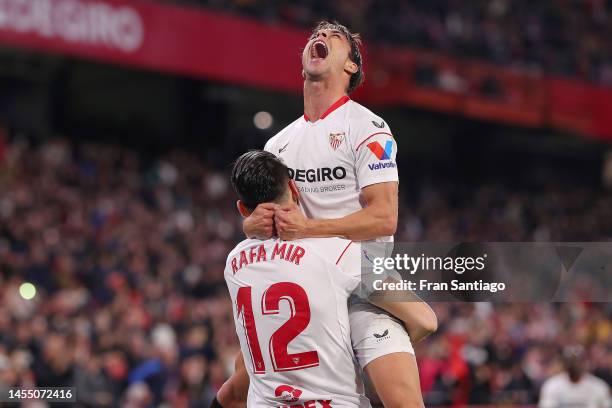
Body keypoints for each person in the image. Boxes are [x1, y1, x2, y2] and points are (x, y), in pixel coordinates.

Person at [240, 20, 433, 407]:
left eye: (335, 37)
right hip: (305, 285)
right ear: (303, 63)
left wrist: (310, 229)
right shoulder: (279, 143)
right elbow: (274, 222)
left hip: (363, 279)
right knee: (233, 388)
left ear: (351, 67)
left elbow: (383, 219)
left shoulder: (368, 128)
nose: (321, 38)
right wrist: (250, 224)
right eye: (316, 35)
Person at [222, 150, 376, 407]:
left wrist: (247, 228)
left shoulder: (234, 263)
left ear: (242, 209)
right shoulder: (338, 252)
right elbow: (424, 319)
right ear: (294, 189)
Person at [539, 345, 610, 408]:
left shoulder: (598, 385)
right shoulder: (553, 385)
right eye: (571, 361)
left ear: (585, 363)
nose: (575, 365)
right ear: (565, 364)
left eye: (578, 361)